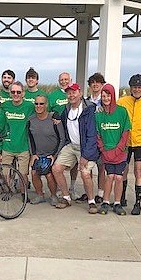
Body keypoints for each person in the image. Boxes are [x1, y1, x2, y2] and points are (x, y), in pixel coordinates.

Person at [50, 83, 99, 212]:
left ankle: (91, 201)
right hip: (71, 145)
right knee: (56, 168)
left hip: (85, 147)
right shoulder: (66, 109)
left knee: (85, 173)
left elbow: (92, 135)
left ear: (80, 93)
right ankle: (66, 197)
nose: (71, 95)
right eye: (69, 93)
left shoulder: (88, 109)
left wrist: (85, 155)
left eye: (74, 92)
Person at [117, 74, 141, 215]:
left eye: (139, 87)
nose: (137, 89)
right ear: (130, 88)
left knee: (138, 169)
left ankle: (137, 203)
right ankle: (122, 197)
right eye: (134, 87)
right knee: (123, 169)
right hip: (125, 140)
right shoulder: (122, 101)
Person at [96, 84, 131, 216]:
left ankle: (117, 202)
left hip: (120, 152)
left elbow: (126, 132)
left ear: (113, 96)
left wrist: (119, 149)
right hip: (107, 152)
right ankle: (105, 201)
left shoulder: (122, 112)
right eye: (103, 96)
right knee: (109, 176)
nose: (106, 98)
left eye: (108, 95)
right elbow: (98, 134)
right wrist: (103, 149)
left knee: (118, 177)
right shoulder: (98, 115)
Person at [27, 95, 65, 205]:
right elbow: (30, 138)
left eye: (41, 104)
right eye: (36, 104)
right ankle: (40, 195)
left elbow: (62, 138)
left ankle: (53, 195)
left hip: (51, 155)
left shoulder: (54, 119)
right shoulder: (31, 120)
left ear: (46, 105)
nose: (39, 106)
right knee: (34, 173)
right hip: (38, 154)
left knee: (49, 174)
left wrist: (54, 155)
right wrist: (33, 154)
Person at [76, 72, 107, 204]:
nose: (95, 85)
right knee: (89, 168)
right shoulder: (86, 101)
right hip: (89, 137)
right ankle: (89, 193)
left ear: (102, 84)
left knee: (101, 166)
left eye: (98, 82)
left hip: (102, 136)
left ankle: (100, 193)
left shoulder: (105, 100)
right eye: (92, 82)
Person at [1, 81, 35, 193]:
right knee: (5, 173)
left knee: (23, 174)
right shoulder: (4, 106)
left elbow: (41, 113)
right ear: (10, 93)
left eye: (18, 92)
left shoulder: (29, 106)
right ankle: (8, 190)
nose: (16, 94)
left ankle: (23, 193)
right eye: (13, 92)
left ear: (23, 93)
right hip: (8, 145)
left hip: (23, 146)